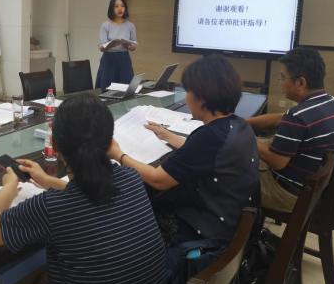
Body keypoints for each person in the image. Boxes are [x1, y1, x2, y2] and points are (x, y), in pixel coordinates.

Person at [0, 94, 167, 284]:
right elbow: (89, 194)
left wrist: (9, 187)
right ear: (111, 144)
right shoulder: (132, 177)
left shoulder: (51, 208)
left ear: (53, 145)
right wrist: (46, 180)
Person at [108, 55, 259, 243]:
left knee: (133, 209)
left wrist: (118, 154)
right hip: (233, 221)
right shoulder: (238, 124)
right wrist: (165, 134)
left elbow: (157, 179)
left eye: (188, 91)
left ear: (202, 98)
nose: (186, 97)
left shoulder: (209, 136)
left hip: (206, 232)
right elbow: (201, 152)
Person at [246, 47, 334, 213]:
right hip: (314, 188)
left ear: (301, 83)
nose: (280, 81)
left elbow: (277, 162)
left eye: (282, 77)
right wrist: (242, 122)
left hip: (288, 194)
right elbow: (280, 118)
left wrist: (243, 135)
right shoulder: (332, 104)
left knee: (227, 179)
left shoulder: (298, 116)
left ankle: (241, 226)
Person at [95, 0, 138, 91]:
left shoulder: (130, 26)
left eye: (122, 6)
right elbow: (101, 47)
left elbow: (134, 46)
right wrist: (111, 44)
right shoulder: (105, 25)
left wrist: (128, 45)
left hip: (124, 60)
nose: (120, 9)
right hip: (109, 60)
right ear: (112, 8)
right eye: (116, 6)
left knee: (125, 89)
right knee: (107, 90)